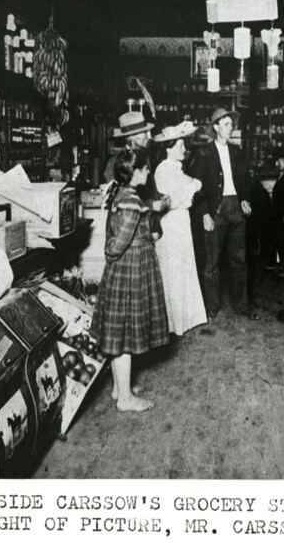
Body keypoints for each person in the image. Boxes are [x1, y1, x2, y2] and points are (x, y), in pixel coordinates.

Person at [90, 147, 168, 412]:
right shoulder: (131, 202)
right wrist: (115, 253)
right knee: (125, 334)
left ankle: (119, 388)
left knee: (119, 330)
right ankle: (125, 399)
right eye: (145, 168)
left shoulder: (122, 194)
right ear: (135, 172)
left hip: (125, 266)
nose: (148, 172)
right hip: (131, 267)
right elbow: (119, 242)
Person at [190, 107, 260, 321]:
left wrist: (245, 198)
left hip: (235, 207)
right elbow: (197, 187)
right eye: (227, 124)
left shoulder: (237, 151)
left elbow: (245, 180)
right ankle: (212, 306)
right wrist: (204, 213)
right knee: (211, 262)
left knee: (239, 260)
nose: (231, 128)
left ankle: (242, 305)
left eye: (232, 124)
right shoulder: (203, 153)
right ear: (216, 126)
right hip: (215, 209)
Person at [152, 121, 207, 336]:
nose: (184, 149)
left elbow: (192, 188)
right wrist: (191, 188)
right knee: (173, 270)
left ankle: (185, 318)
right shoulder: (163, 169)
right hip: (171, 223)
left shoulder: (176, 168)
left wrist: (191, 187)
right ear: (169, 148)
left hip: (181, 222)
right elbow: (172, 201)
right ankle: (173, 322)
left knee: (183, 266)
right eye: (180, 145)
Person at [104, 110, 169, 239]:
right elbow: (118, 201)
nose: (149, 137)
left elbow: (147, 190)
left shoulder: (143, 159)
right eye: (145, 133)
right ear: (134, 137)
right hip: (126, 233)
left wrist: (161, 197)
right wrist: (151, 205)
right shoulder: (115, 162)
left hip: (144, 228)